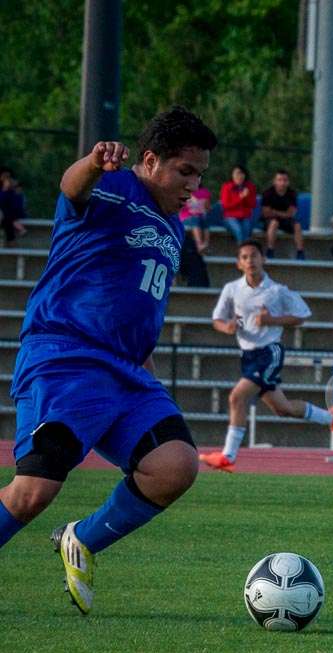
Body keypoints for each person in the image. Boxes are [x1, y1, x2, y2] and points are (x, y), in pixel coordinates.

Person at [0, 106, 217, 614]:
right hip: (67, 357)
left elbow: (140, 305)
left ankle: (82, 540)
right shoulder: (116, 186)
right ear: (150, 160)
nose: (193, 185)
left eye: (200, 175)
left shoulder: (173, 229)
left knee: (175, 466)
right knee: (32, 492)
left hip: (127, 372)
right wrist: (94, 162)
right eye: (185, 171)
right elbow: (71, 188)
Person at [199, 241, 333, 472]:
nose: (250, 261)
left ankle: (228, 456)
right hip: (248, 354)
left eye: (254, 256)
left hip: (270, 352)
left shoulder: (276, 291)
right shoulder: (232, 289)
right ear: (239, 264)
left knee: (236, 398)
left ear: (263, 259)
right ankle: (332, 419)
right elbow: (217, 320)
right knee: (283, 408)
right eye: (245, 257)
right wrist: (227, 327)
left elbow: (302, 315)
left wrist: (272, 320)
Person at [260, 169, 305, 260]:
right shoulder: (268, 193)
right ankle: (270, 250)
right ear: (275, 181)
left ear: (288, 182)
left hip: (285, 220)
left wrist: (275, 212)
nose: (282, 183)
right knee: (274, 223)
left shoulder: (292, 193)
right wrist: (282, 214)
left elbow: (291, 213)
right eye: (279, 180)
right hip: (269, 220)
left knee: (297, 225)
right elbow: (266, 213)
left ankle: (300, 252)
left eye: (285, 180)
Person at [220, 165, 257, 244]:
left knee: (247, 232)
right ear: (232, 175)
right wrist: (240, 197)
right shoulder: (226, 187)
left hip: (245, 216)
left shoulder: (250, 187)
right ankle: (241, 253)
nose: (239, 176)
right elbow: (225, 206)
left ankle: (245, 252)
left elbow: (253, 204)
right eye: (237, 174)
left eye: (241, 174)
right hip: (230, 217)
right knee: (239, 231)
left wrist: (246, 197)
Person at [180, 182, 212, 252]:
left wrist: (203, 208)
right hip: (187, 217)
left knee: (205, 218)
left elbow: (208, 208)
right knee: (195, 219)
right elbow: (180, 207)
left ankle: (206, 243)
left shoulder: (205, 191)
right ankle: (199, 244)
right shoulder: (183, 191)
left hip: (201, 215)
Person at [0, 167, 28, 244]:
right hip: (7, 216)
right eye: (5, 177)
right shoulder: (4, 190)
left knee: (6, 216)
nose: (7, 179)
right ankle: (13, 237)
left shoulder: (14, 190)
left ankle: (11, 239)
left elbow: (17, 205)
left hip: (11, 215)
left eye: (8, 177)